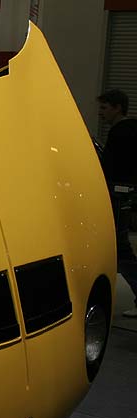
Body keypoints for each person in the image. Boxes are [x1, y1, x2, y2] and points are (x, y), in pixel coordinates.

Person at [97, 89, 137, 316]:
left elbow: (109, 167)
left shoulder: (120, 132)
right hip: (126, 194)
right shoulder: (131, 129)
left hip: (118, 194)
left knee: (120, 248)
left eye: (104, 108)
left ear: (117, 108)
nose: (101, 113)